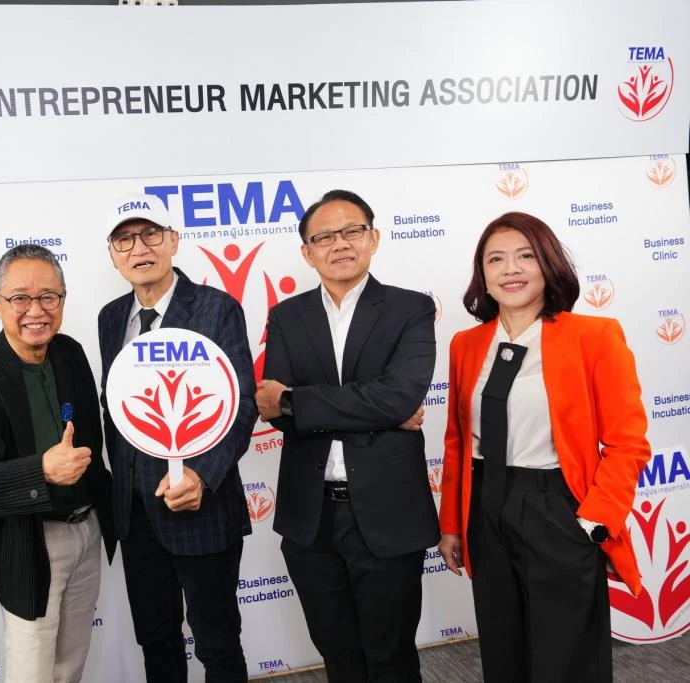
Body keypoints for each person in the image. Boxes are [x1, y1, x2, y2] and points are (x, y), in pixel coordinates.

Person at [437, 212, 650, 682]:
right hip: (485, 508)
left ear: (548, 264)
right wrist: (451, 524)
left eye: (525, 256)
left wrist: (594, 521)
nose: (510, 269)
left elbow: (628, 443)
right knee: (503, 647)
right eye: (496, 259)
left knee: (566, 656)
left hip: (557, 508)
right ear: (483, 275)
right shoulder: (466, 344)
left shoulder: (594, 336)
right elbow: (457, 440)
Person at [256, 189, 437, 682]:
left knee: (390, 658)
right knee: (338, 657)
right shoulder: (287, 316)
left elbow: (397, 397)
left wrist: (299, 400)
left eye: (352, 231)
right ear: (307, 252)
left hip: (387, 512)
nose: (340, 243)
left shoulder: (410, 309)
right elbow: (273, 409)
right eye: (324, 237)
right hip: (310, 516)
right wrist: (375, 410)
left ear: (373, 238)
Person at [0, 244, 114, 683]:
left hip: (87, 529)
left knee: (70, 665)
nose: (36, 310)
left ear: (63, 299)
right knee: (31, 670)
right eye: (20, 298)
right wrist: (42, 472)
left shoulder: (70, 353)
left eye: (48, 296)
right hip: (30, 542)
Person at [98, 193, 256, 682]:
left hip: (200, 508)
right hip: (135, 514)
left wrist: (201, 478)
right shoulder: (110, 317)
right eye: (125, 240)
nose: (139, 248)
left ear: (173, 241)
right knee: (156, 640)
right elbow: (116, 408)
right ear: (113, 254)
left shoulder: (216, 309)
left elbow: (240, 405)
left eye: (151, 234)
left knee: (216, 643)